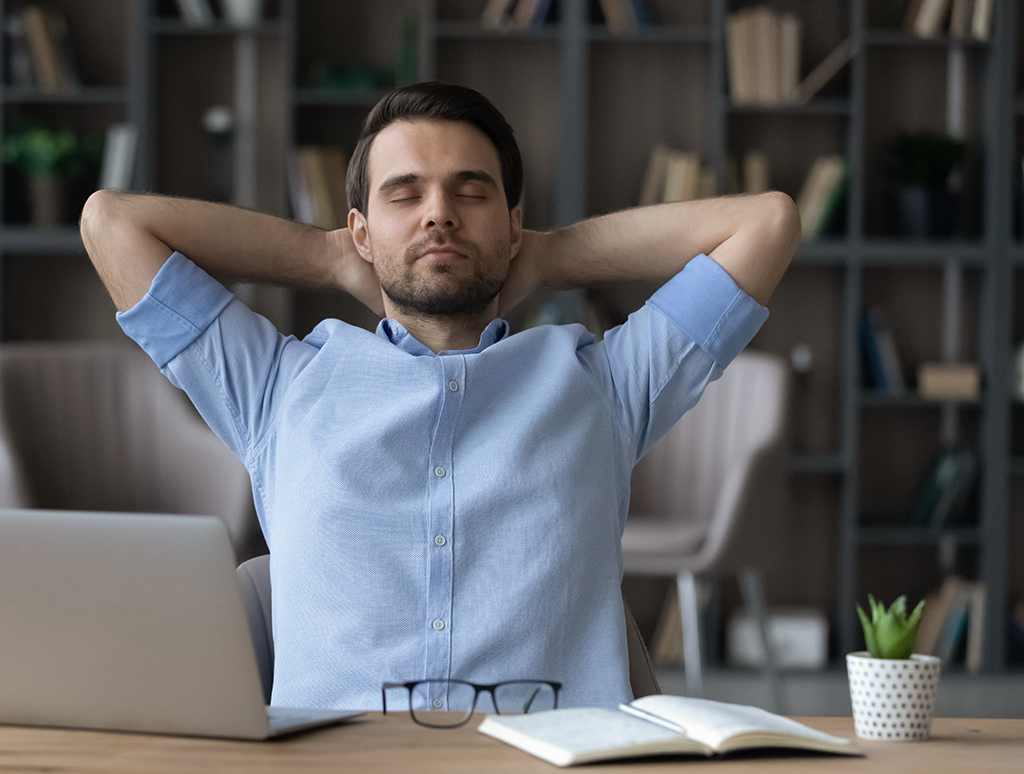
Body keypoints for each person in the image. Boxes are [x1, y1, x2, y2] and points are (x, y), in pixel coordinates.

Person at [80, 81, 800, 711]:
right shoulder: (277, 389)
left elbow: (766, 224)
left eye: (471, 190)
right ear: (361, 228)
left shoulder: (602, 386)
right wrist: (329, 257)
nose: (439, 214)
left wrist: (548, 257)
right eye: (404, 193)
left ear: (513, 222)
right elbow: (112, 224)